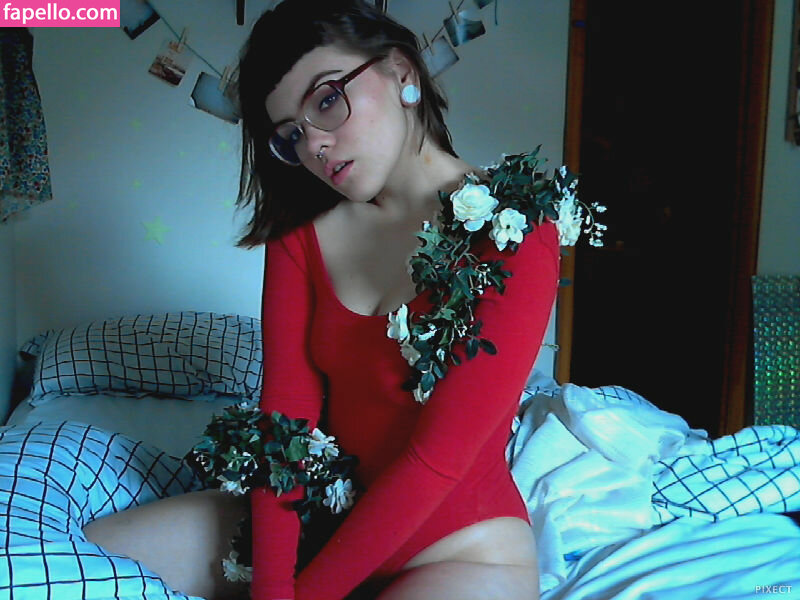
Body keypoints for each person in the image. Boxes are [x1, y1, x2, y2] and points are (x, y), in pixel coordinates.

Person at [85, 1, 560, 599]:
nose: (315, 144)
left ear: (401, 72)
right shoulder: (299, 235)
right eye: (291, 133)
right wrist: (274, 587)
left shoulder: (516, 228)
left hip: (460, 549)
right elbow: (285, 421)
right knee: (81, 558)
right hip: (320, 517)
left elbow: (438, 459)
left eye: (327, 100)